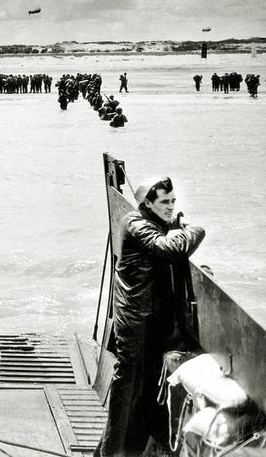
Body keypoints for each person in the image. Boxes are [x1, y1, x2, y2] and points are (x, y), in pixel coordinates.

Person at [97, 177, 205, 457]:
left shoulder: (146, 221)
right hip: (135, 325)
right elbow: (168, 249)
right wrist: (194, 230)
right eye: (164, 202)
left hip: (144, 321)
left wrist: (172, 225)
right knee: (127, 393)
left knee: (138, 394)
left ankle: (119, 451)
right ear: (147, 203)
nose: (170, 207)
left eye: (173, 202)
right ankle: (112, 453)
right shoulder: (136, 224)